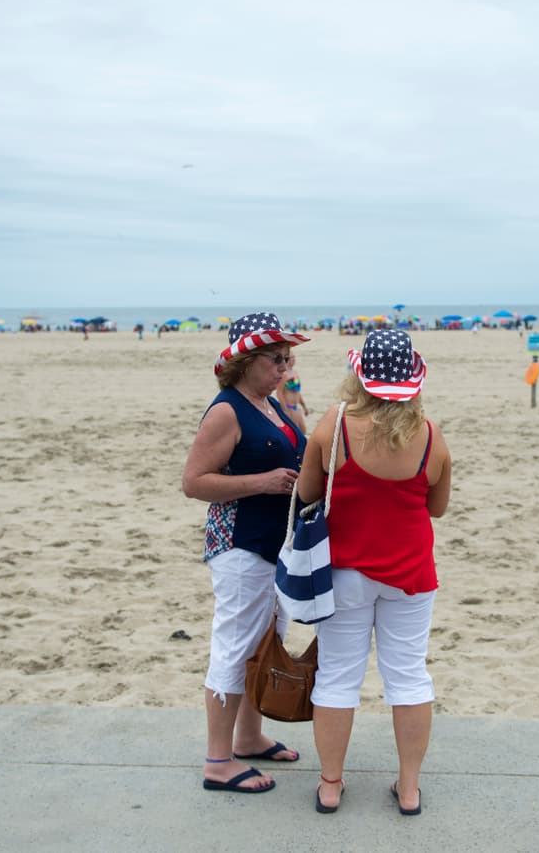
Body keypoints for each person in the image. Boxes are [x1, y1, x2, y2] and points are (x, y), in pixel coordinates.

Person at [296, 329, 452, 816]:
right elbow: (438, 508)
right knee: (407, 677)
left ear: (359, 376)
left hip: (344, 571)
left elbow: (305, 494)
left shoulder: (333, 425)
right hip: (409, 573)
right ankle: (408, 790)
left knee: (338, 678)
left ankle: (329, 785)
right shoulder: (430, 436)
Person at [181, 312, 311, 794]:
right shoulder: (227, 410)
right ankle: (218, 760)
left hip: (274, 545)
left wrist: (292, 399)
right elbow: (194, 482)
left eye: (288, 358)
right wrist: (263, 483)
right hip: (238, 544)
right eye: (276, 359)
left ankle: (249, 738)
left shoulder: (271, 404)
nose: (285, 366)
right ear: (246, 362)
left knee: (264, 643)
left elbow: (301, 441)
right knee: (235, 646)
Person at [274, 349, 309, 432]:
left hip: (296, 407)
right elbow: (279, 392)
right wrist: (285, 409)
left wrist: (304, 406)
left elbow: (298, 392)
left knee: (303, 431)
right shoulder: (284, 375)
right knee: (294, 431)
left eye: (294, 358)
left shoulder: (295, 373)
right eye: (291, 358)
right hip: (289, 407)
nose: (293, 360)